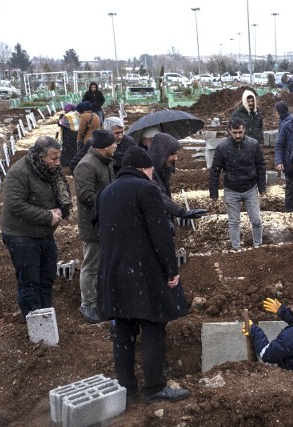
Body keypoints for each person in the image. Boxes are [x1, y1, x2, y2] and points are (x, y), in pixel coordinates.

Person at [95, 146, 190, 403]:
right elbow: (161, 235)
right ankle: (155, 387)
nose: (152, 175)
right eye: (150, 170)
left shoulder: (105, 193)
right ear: (144, 169)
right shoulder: (147, 189)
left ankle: (126, 387)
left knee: (123, 332)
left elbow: (100, 232)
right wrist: (172, 270)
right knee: (153, 326)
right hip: (143, 273)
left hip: (113, 273)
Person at [1, 136, 72, 319]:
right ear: (40, 157)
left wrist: (61, 209)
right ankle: (35, 322)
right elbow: (15, 205)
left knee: (47, 277)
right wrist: (48, 216)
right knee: (30, 281)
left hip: (43, 233)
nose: (58, 163)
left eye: (59, 158)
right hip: (20, 235)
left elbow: (59, 191)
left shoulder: (50, 171)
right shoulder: (19, 172)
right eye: (53, 159)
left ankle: (46, 314)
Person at [73, 129, 117, 324]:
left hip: (104, 221)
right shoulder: (86, 166)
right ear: (103, 146)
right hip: (93, 224)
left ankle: (100, 299)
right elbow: (85, 195)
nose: (116, 146)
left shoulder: (104, 162)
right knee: (91, 265)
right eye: (113, 143)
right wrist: (109, 199)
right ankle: (87, 304)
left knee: (102, 264)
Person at [209, 117, 266, 250]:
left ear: (244, 129)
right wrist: (214, 192)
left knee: (256, 220)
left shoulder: (253, 144)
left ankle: (258, 245)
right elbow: (215, 170)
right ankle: (236, 248)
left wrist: (262, 187)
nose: (238, 135)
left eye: (240, 132)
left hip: (250, 188)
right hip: (231, 189)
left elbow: (261, 166)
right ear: (229, 131)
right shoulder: (222, 148)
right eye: (235, 132)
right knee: (234, 222)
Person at [148, 132, 206, 229]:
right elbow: (159, 196)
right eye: (172, 154)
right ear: (162, 153)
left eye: (176, 153)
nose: (176, 158)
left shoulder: (163, 170)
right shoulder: (149, 173)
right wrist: (182, 213)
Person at [70, 116, 137, 176]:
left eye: (122, 132)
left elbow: (138, 162)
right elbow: (75, 163)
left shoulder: (129, 142)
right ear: (106, 132)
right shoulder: (94, 143)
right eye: (116, 133)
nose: (120, 136)